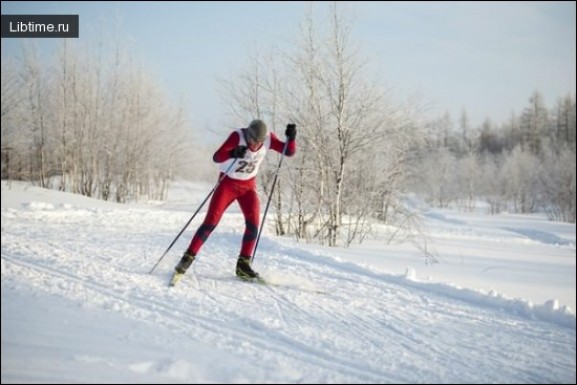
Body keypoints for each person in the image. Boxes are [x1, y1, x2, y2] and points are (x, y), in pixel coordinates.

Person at [173, 119, 297, 280]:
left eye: (258, 142)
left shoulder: (268, 139)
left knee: (253, 225)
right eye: (251, 140)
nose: (254, 145)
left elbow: (288, 152)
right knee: (211, 222)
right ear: (248, 134)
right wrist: (232, 153)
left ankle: (243, 265)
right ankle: (187, 259)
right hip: (227, 185)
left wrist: (291, 138)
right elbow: (217, 157)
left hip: (248, 187)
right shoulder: (237, 136)